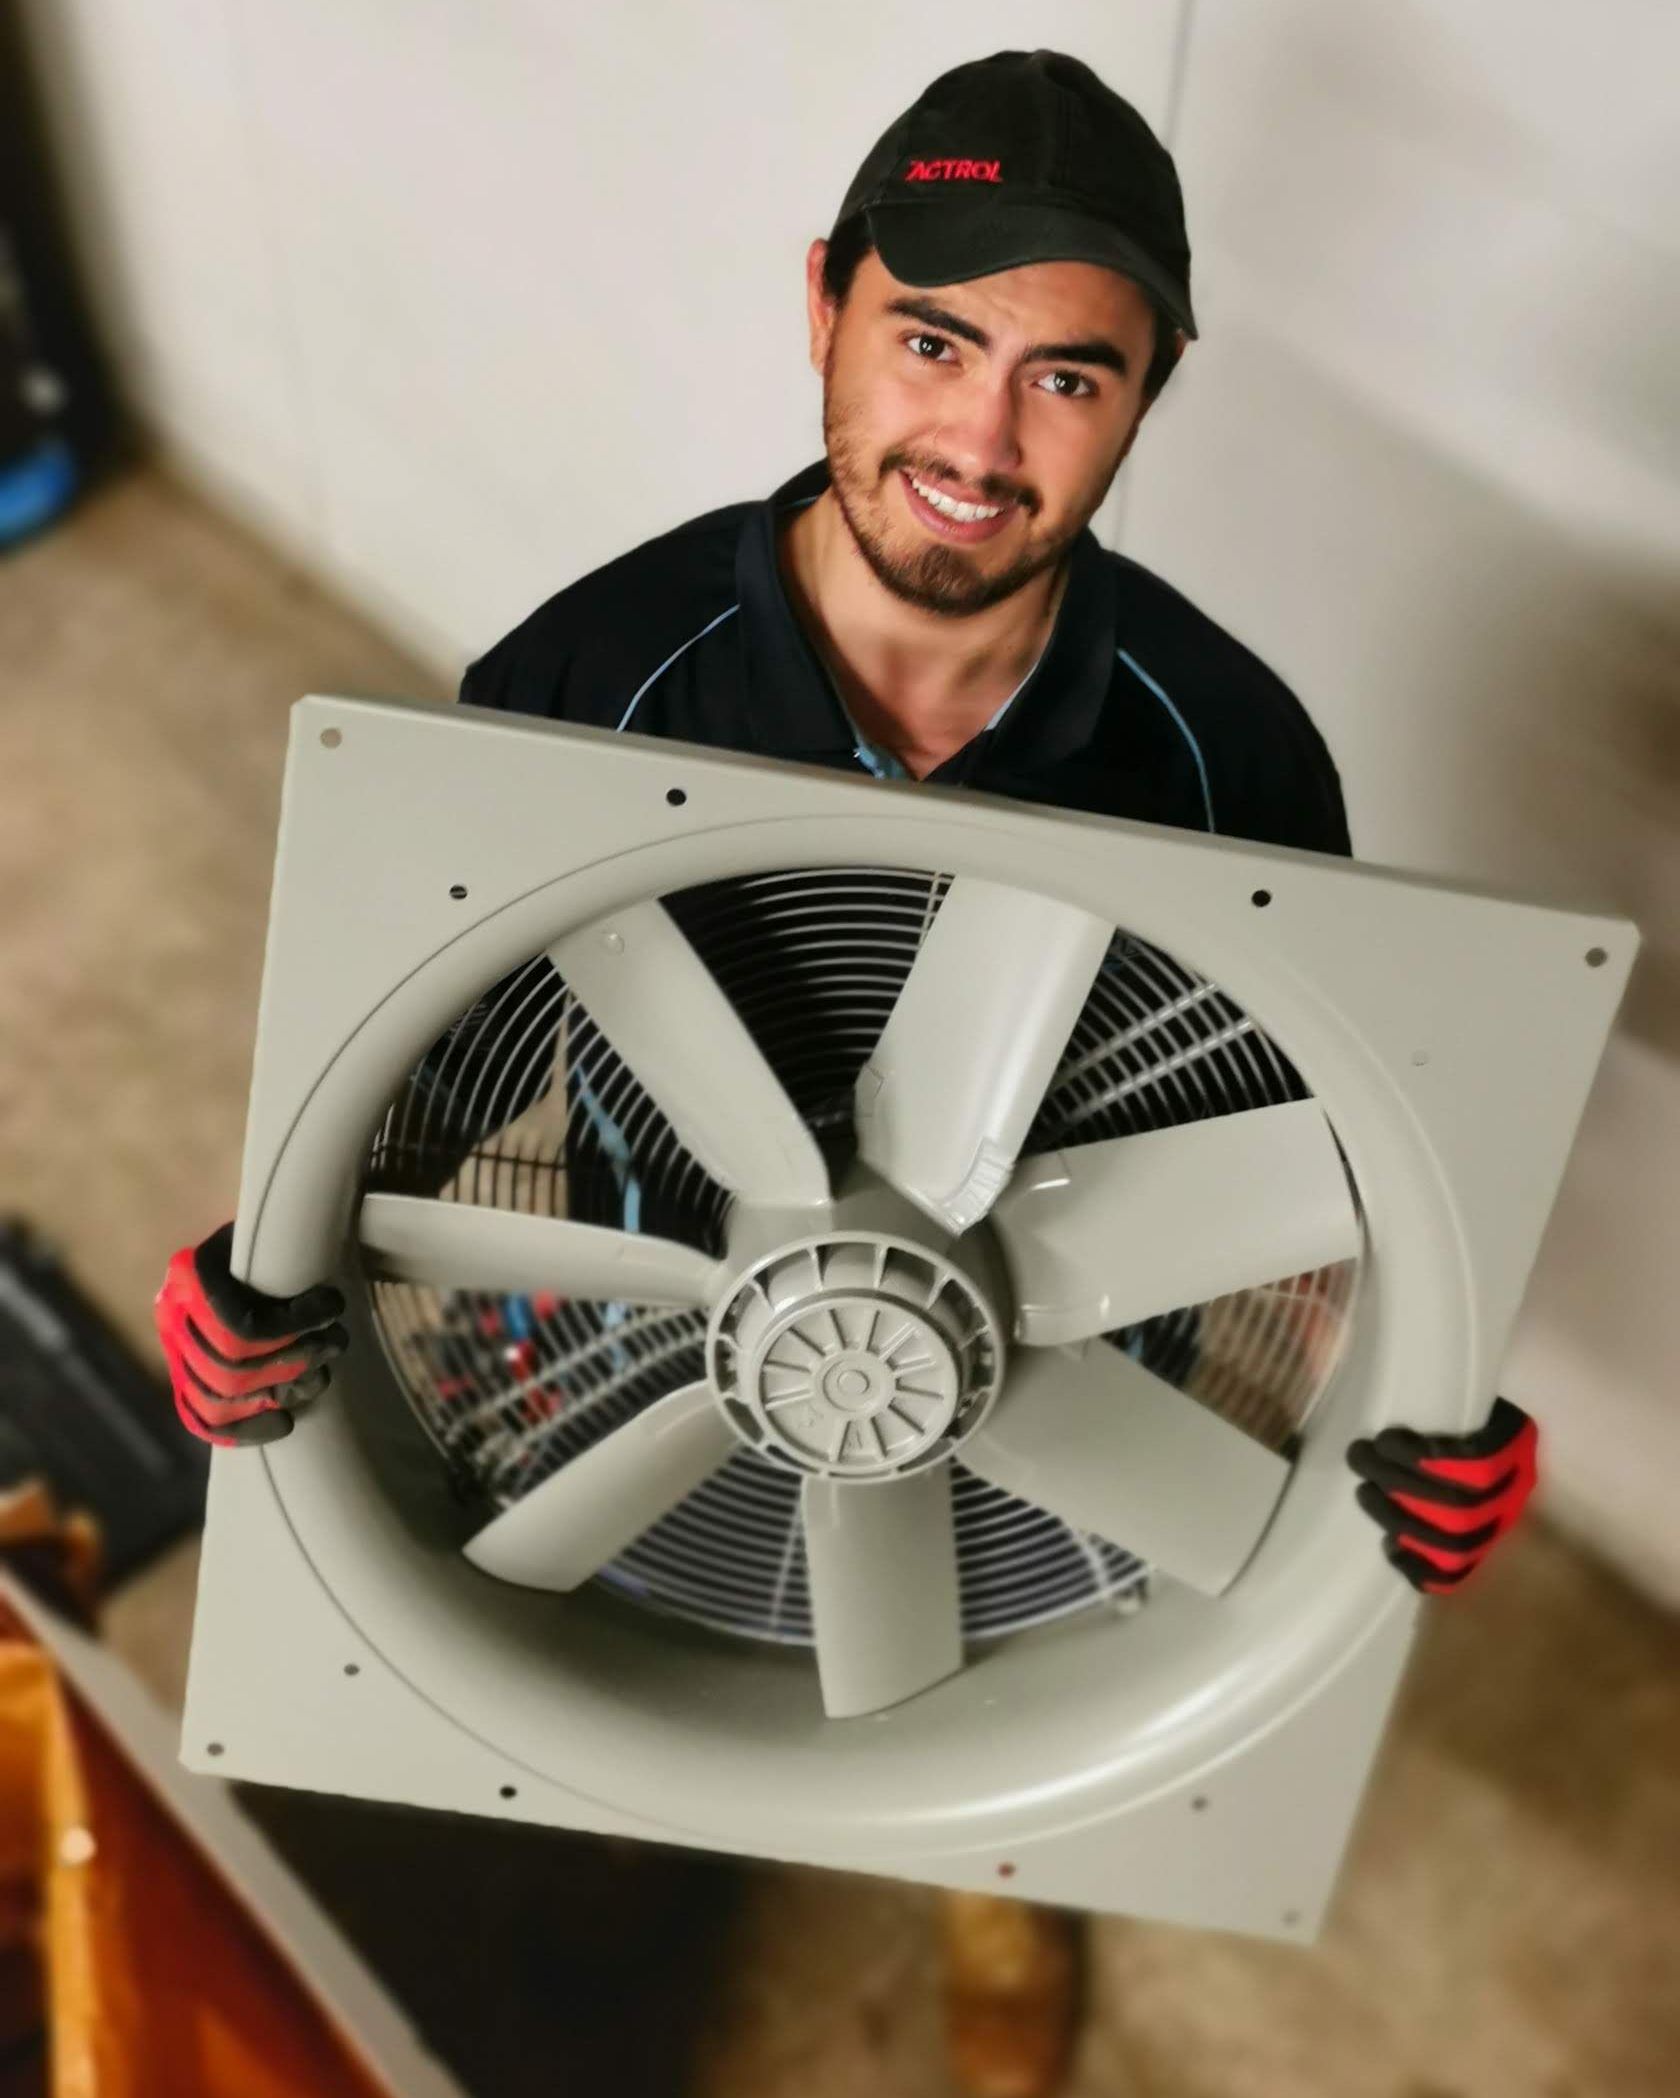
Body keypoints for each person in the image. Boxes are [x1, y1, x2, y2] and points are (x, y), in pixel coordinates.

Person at [154, 50, 1540, 2094]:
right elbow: (399, 1057)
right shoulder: (590, 679)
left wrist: (1411, 1424)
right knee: (612, 1624)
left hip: (1069, 1325)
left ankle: (997, 1866)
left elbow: (1338, 1132)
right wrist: (257, 1291)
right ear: (824, 304)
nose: (980, 438)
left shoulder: (1221, 756)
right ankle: (651, 1779)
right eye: (931, 339)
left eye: (1070, 375)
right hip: (628, 1273)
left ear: (1151, 392)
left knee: (997, 1643)